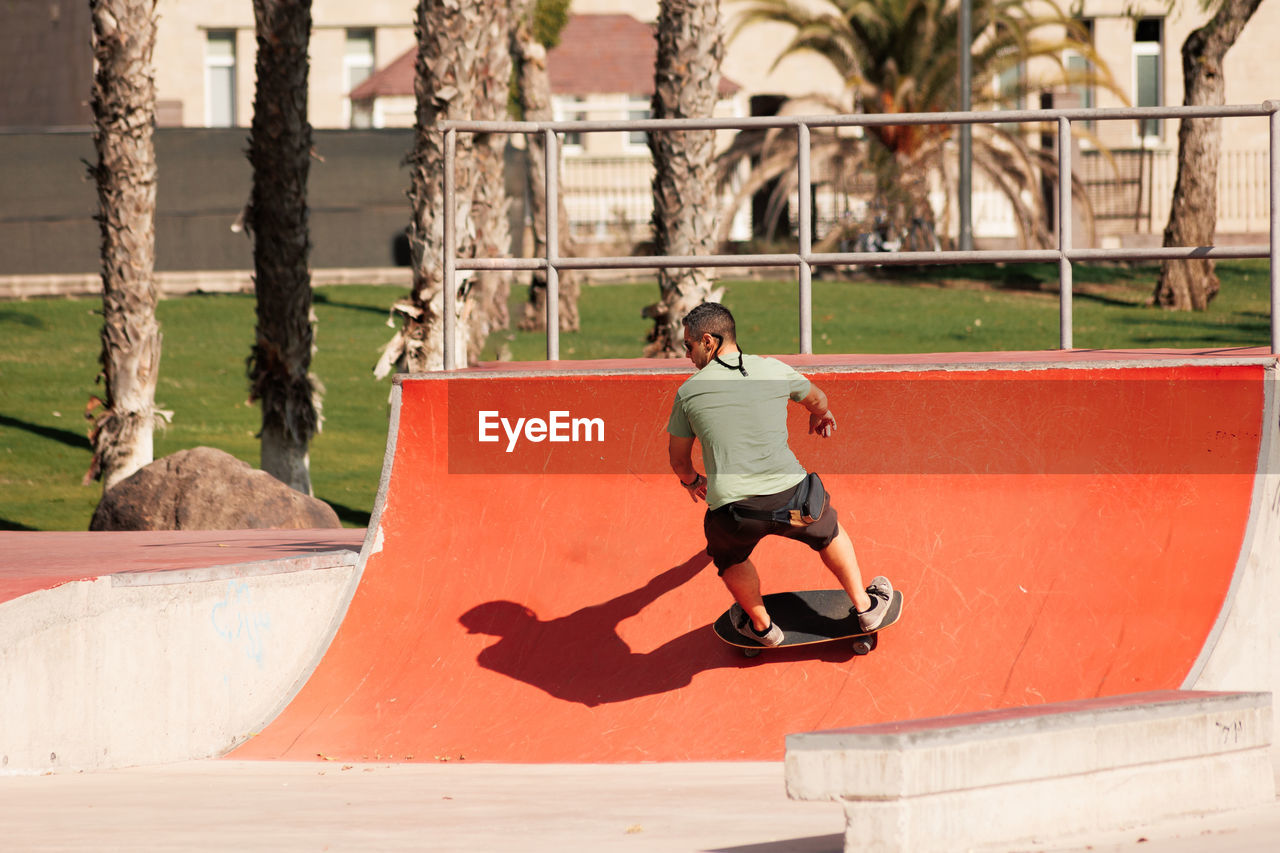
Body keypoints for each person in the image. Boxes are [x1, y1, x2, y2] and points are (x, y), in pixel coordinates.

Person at [667, 302, 893, 646]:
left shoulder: (688, 393)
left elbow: (679, 459)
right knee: (828, 530)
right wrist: (820, 414)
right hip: (793, 499)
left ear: (709, 342)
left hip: (735, 511)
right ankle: (865, 607)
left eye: (689, 345)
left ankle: (761, 628)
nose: (686, 354)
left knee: (730, 557)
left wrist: (692, 482)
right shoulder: (772, 369)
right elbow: (817, 398)